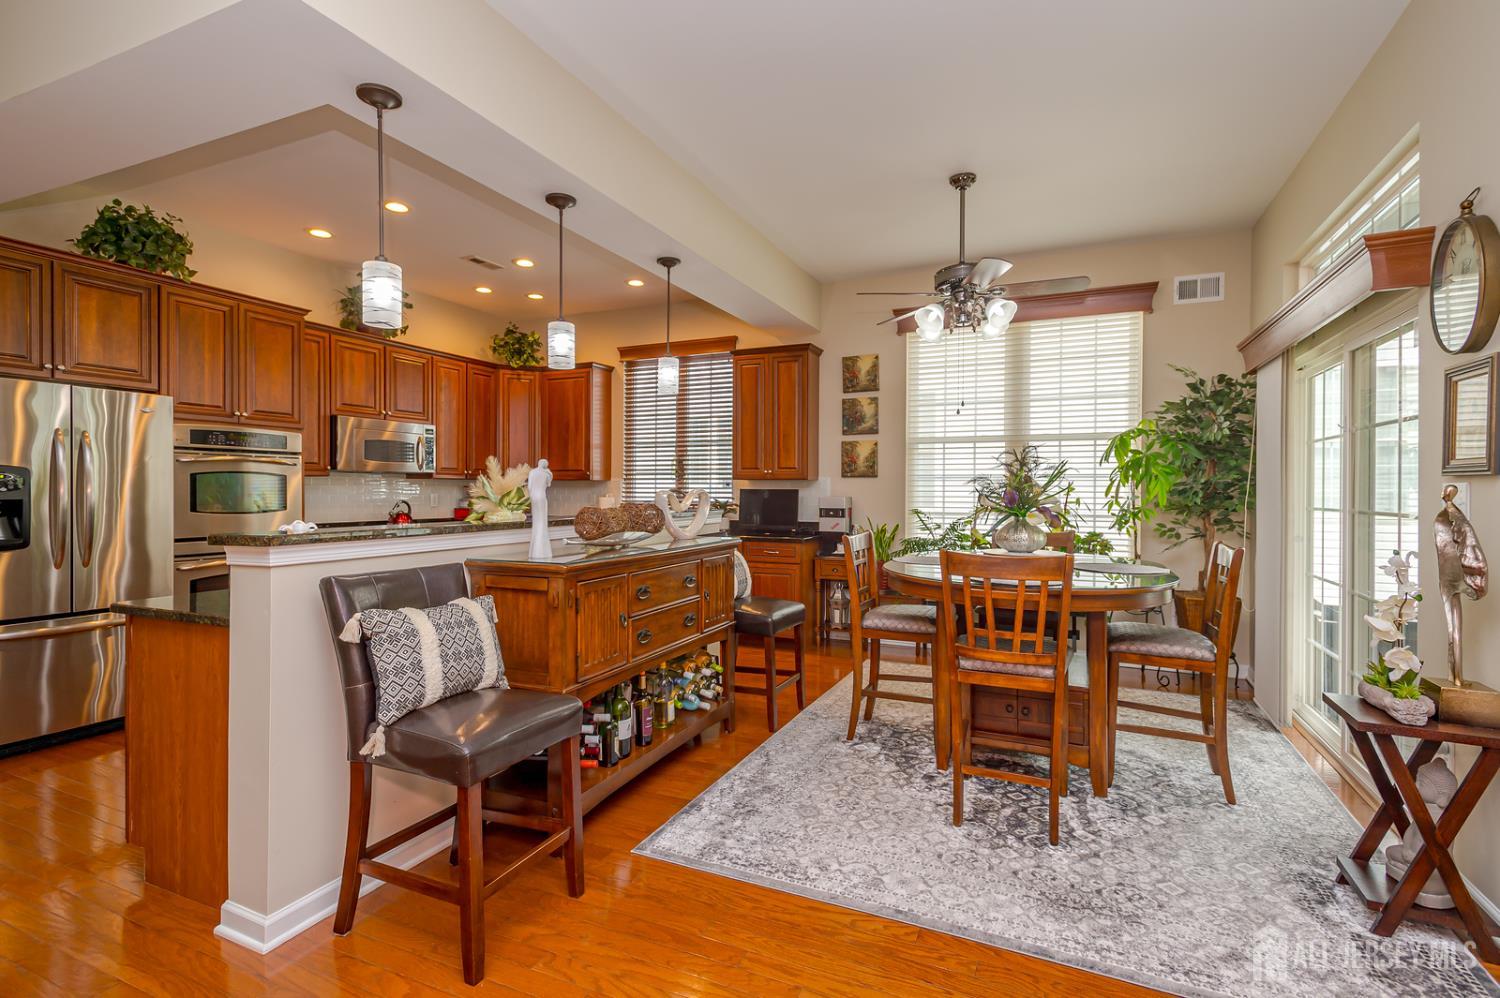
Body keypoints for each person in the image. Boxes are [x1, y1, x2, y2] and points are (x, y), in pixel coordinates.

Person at [528, 459, 553, 560]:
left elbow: (529, 487)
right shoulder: (547, 474)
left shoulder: (532, 472)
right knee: (542, 522)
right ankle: (543, 551)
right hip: (542, 497)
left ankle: (534, 551)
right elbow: (549, 484)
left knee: (536, 522)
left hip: (533, 497)